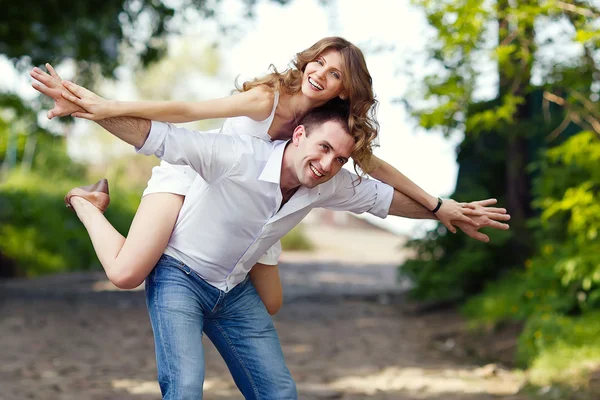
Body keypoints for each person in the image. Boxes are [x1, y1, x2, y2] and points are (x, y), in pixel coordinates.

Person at [52, 94, 510, 399]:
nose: (328, 163)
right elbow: (157, 136)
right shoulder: (237, 157)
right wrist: (86, 106)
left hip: (233, 293)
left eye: (340, 158)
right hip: (179, 277)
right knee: (185, 387)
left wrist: (441, 209)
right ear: (299, 134)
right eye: (323, 147)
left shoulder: (329, 185)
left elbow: (387, 201)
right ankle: (85, 203)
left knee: (278, 393)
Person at [30, 37, 483, 314]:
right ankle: (87, 206)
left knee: (270, 304)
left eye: (335, 74)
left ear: (347, 90)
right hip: (198, 178)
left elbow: (376, 169)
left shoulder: (329, 134)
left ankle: (212, 286)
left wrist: (439, 205)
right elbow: (188, 111)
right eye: (318, 64)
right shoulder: (269, 97)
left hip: (257, 203)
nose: (320, 75)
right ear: (306, 62)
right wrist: (108, 107)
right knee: (127, 273)